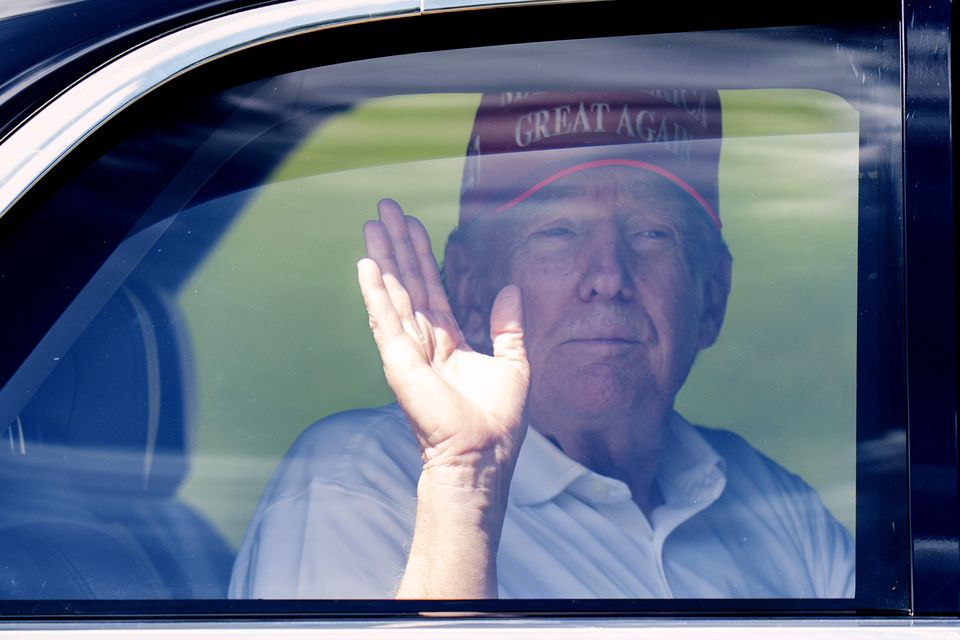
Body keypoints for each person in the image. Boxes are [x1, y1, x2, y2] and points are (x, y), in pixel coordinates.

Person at [229, 89, 855, 599]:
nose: (608, 277)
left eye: (652, 232)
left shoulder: (778, 512)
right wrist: (463, 485)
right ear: (469, 288)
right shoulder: (358, 485)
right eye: (558, 231)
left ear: (711, 297)